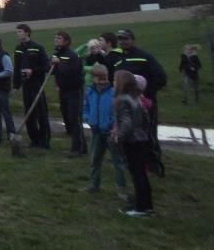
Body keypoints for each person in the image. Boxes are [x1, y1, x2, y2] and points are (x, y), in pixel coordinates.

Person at [112, 29, 167, 141]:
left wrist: (144, 93)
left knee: (147, 135)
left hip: (144, 104)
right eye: (120, 39)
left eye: (126, 38)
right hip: (125, 105)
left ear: (132, 40)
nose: (123, 42)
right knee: (128, 135)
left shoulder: (144, 56)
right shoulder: (119, 60)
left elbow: (161, 77)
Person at [112, 70, 154, 217]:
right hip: (141, 138)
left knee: (137, 174)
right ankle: (145, 204)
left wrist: (118, 136)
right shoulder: (136, 98)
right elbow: (145, 119)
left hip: (132, 141)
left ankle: (141, 208)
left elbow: (126, 122)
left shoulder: (122, 100)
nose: (113, 83)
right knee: (141, 173)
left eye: (115, 80)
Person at [82, 64, 127, 196]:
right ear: (93, 78)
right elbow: (85, 108)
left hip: (111, 133)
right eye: (99, 78)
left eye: (104, 77)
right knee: (95, 160)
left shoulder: (114, 93)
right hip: (96, 131)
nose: (102, 81)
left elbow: (118, 112)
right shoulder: (89, 92)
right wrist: (88, 118)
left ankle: (121, 188)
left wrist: (112, 124)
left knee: (117, 161)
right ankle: (94, 184)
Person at [13, 24, 51, 149]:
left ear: (27, 33)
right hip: (26, 85)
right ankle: (34, 140)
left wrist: (33, 71)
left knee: (41, 113)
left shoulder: (37, 48)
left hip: (37, 85)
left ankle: (44, 141)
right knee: (29, 113)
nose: (18, 34)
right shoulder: (18, 49)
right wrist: (16, 85)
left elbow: (46, 66)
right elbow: (17, 68)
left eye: (20, 31)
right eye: (17, 32)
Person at [51, 30, 87, 156]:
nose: (56, 40)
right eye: (55, 38)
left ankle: (77, 148)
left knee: (75, 119)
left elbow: (71, 72)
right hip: (63, 90)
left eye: (59, 38)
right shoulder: (56, 54)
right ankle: (81, 146)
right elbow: (53, 71)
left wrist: (59, 63)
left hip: (74, 91)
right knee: (67, 118)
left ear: (66, 41)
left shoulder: (72, 56)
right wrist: (52, 65)